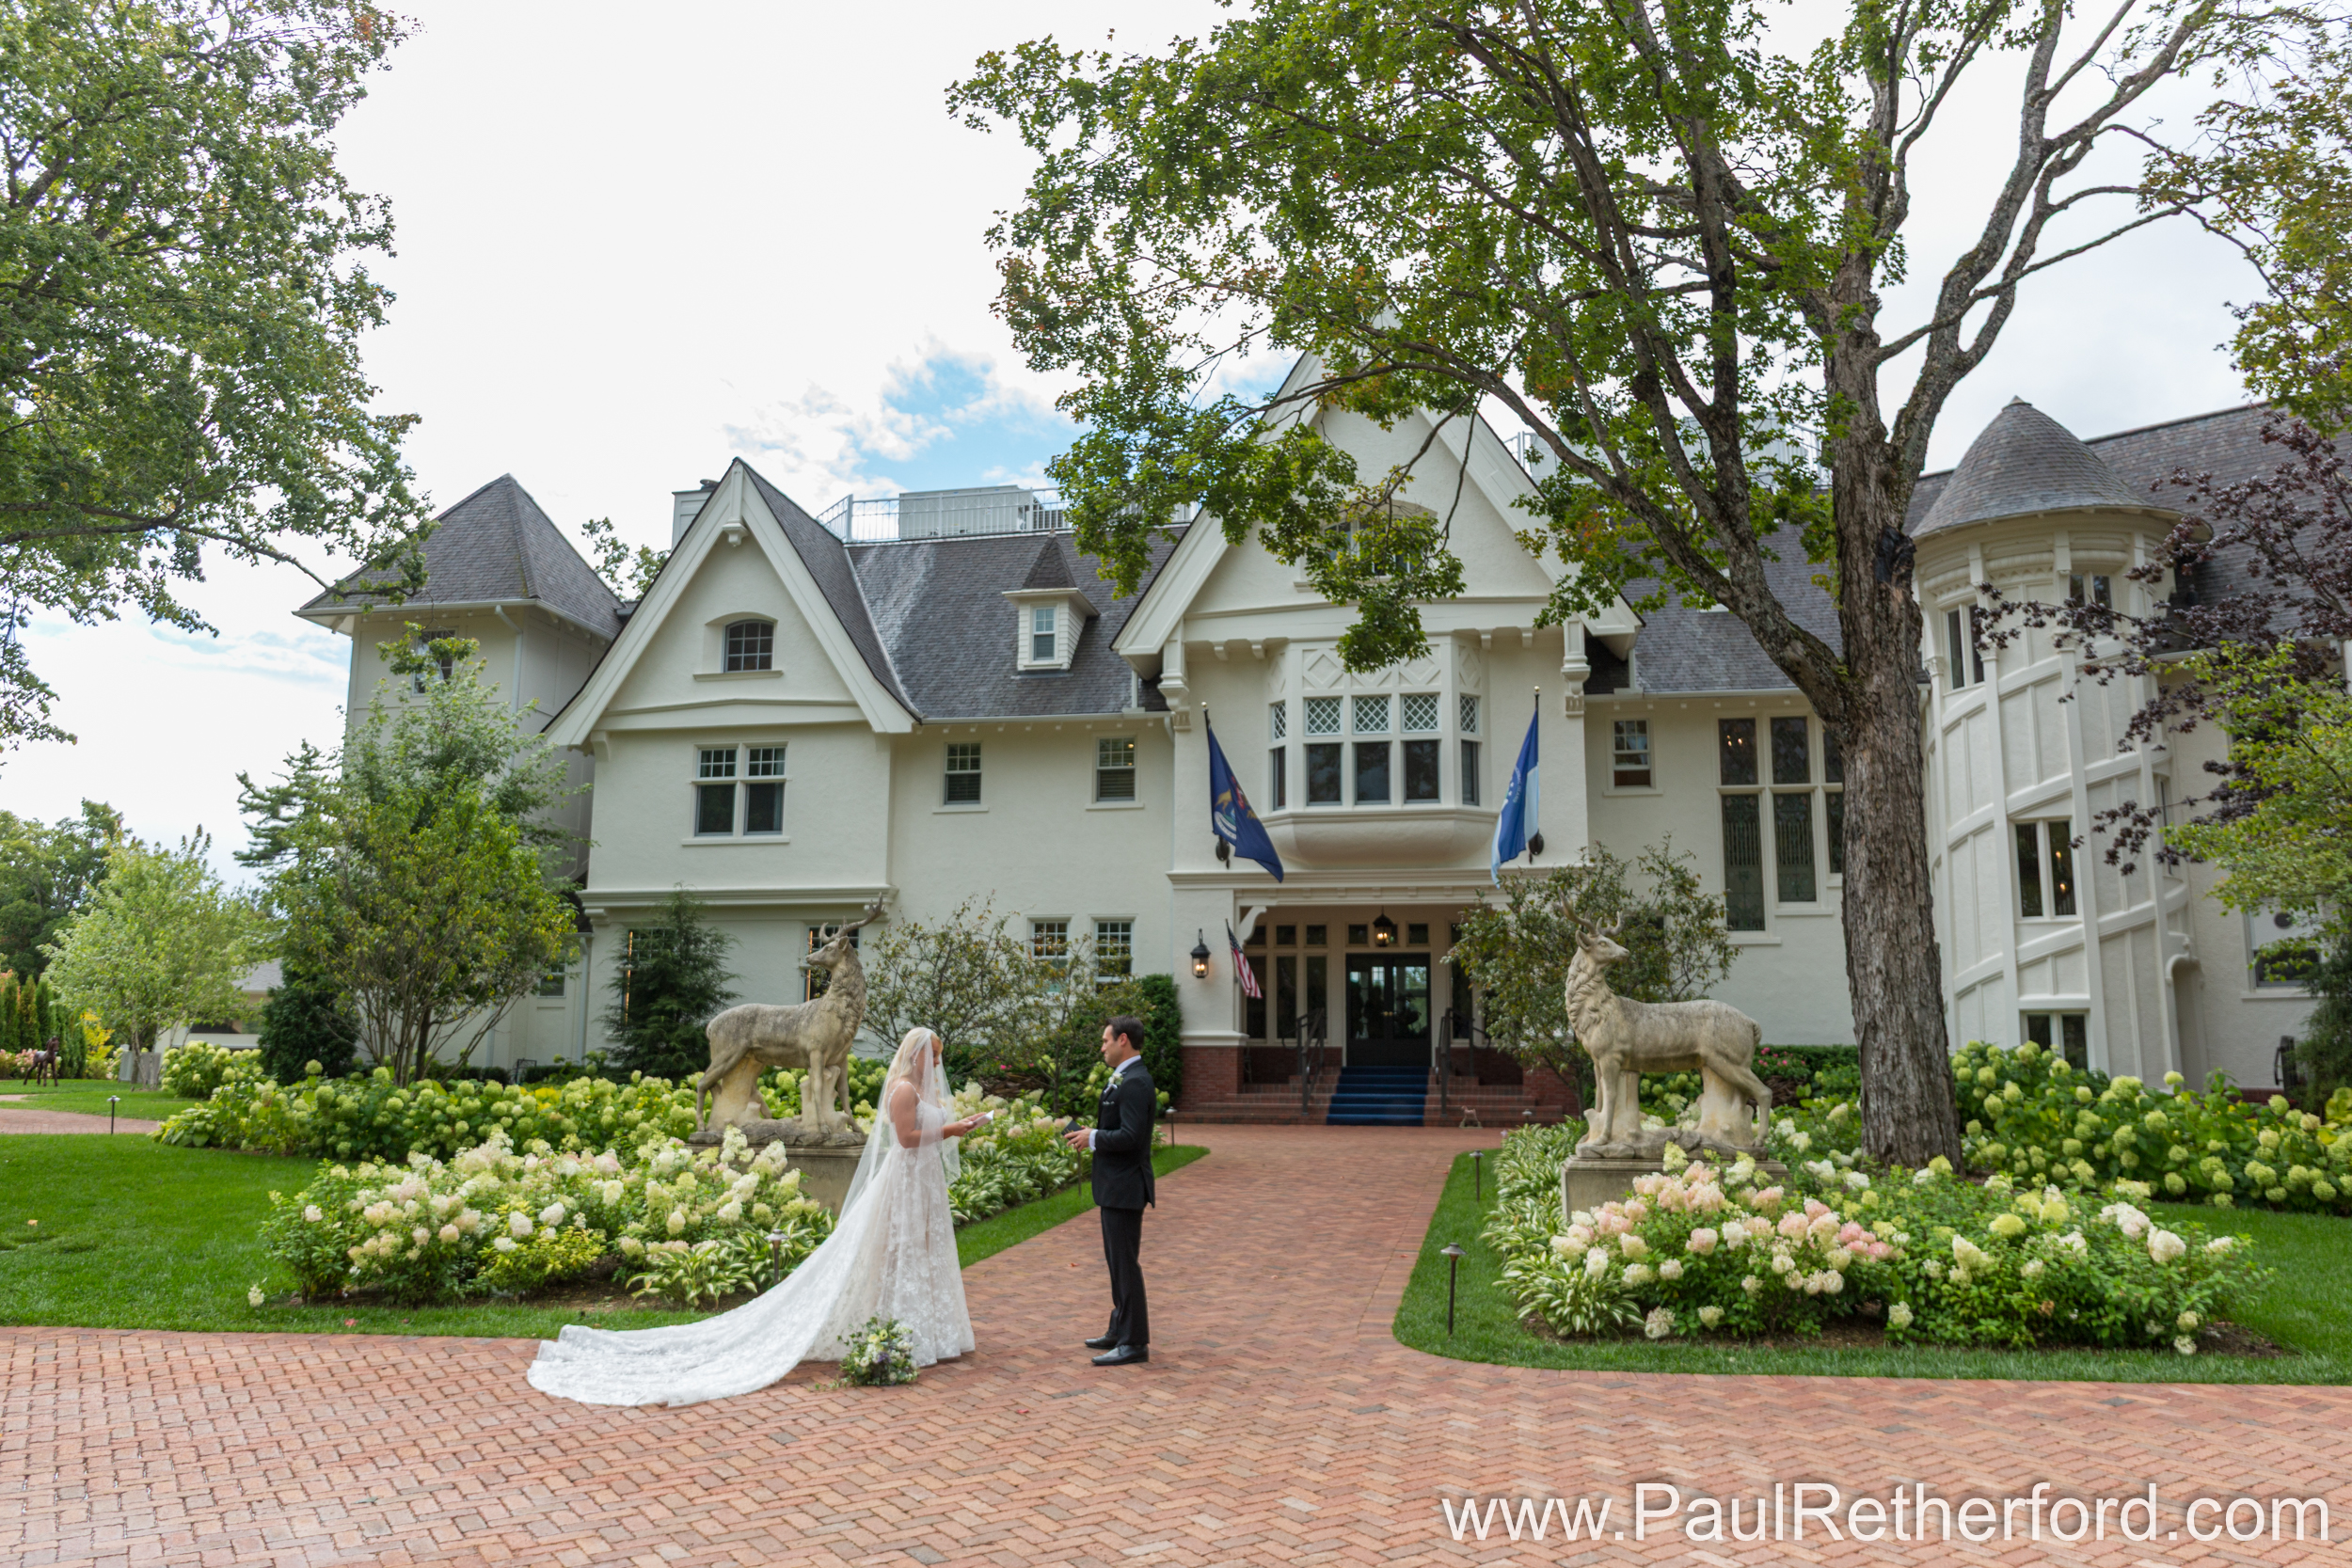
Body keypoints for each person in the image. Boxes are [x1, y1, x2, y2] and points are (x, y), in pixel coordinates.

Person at [527, 1026, 986, 1406]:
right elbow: (906, 1138)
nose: (937, 1065)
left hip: (922, 1184)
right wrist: (955, 1128)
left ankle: (928, 1329)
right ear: (918, 1056)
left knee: (923, 1249)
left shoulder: (921, 1087)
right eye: (934, 1057)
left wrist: (954, 1126)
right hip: (904, 1180)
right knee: (896, 1248)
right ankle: (898, 1328)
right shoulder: (903, 1089)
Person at [1062, 1015, 1155, 1366]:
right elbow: (1120, 1128)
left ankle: (1135, 1343)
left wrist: (1094, 1138)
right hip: (1115, 1185)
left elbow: (1132, 1137)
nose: (1101, 1047)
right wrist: (1091, 1133)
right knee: (1117, 1263)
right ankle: (1119, 1328)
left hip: (1125, 1185)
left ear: (1123, 1040)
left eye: (1105, 1041)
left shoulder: (1134, 1082)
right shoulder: (1125, 1078)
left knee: (1125, 1264)